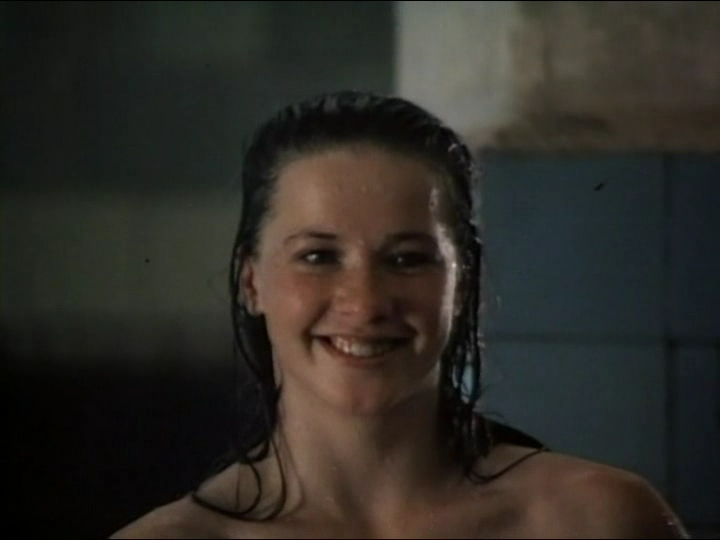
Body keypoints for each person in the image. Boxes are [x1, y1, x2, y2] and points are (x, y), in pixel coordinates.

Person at [111, 91, 688, 539]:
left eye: (408, 259)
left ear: (462, 283)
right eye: (318, 256)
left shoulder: (594, 521)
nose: (365, 302)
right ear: (251, 281)